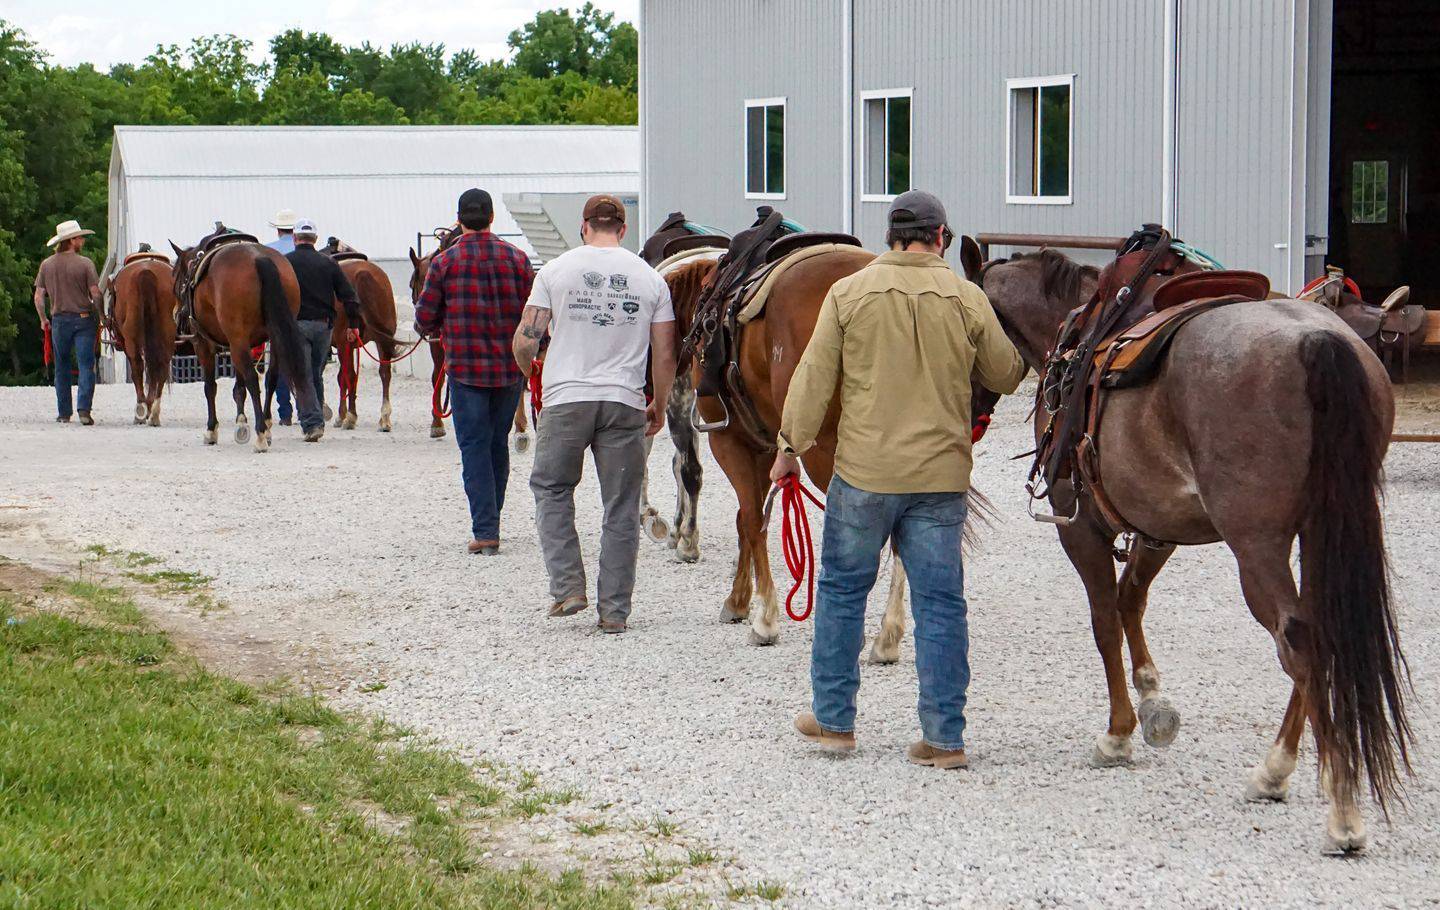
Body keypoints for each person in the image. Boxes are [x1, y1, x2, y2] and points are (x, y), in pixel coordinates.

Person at [772, 190, 1026, 768]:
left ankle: (835, 723)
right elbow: (1007, 374)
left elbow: (812, 380)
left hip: (864, 473)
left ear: (890, 235)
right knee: (941, 605)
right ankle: (944, 739)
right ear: (942, 236)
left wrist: (790, 447)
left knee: (841, 593)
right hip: (940, 477)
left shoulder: (848, 292)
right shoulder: (966, 297)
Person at [514, 195, 677, 634]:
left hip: (566, 398)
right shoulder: (650, 280)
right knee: (621, 507)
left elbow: (526, 341)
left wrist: (533, 378)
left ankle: (568, 588)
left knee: (551, 488)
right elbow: (665, 354)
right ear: (623, 230)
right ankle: (614, 612)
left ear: (584, 226)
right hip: (624, 401)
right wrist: (658, 404)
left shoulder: (554, 271)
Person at [416, 189, 534, 555]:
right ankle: (491, 519)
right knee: (497, 444)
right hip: (509, 369)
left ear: (459, 219)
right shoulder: (518, 260)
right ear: (492, 217)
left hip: (466, 371)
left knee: (474, 447)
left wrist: (436, 325)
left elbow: (423, 319)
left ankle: (486, 529)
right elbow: (534, 314)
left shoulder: (443, 263)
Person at [285, 218, 360, 442]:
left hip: (296, 325)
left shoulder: (286, 263)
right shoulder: (328, 263)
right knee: (315, 373)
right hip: (324, 326)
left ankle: (312, 423)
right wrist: (354, 325)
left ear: (295, 238)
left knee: (303, 374)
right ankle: (316, 417)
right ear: (315, 239)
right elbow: (350, 297)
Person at [35, 220, 102, 425]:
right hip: (83, 320)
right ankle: (84, 411)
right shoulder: (85, 264)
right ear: (71, 240)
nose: (82, 240)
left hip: (59, 322)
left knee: (61, 367)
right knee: (86, 365)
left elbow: (38, 296)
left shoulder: (46, 265)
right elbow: (96, 293)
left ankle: (64, 413)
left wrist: (44, 319)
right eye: (80, 237)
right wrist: (101, 315)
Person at [265, 208, 298, 425]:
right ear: (293, 230)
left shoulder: (267, 252)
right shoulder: (303, 248)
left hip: (276, 316)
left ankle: (284, 413)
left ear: (277, 230)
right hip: (304, 314)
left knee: (278, 364)